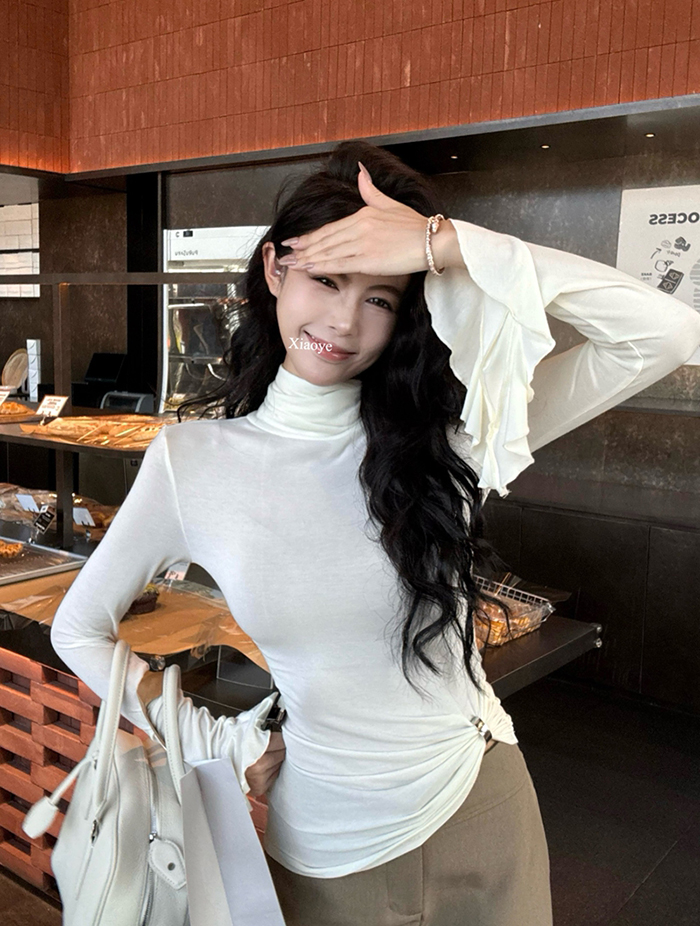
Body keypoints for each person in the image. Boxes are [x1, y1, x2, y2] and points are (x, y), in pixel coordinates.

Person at [50, 140, 700, 926]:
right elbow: (78, 629)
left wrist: (446, 244)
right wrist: (213, 738)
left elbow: (665, 334)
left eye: (381, 298)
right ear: (274, 269)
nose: (344, 321)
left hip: (481, 805)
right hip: (323, 846)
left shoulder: (452, 435)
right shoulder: (192, 462)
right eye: (327, 279)